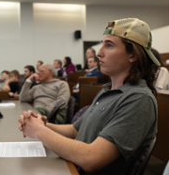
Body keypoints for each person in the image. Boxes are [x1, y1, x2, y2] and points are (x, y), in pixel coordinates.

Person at [18, 18, 160, 174]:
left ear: (133, 55)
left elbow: (91, 159)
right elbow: (74, 130)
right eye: (102, 44)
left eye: (109, 45)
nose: (99, 53)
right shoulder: (107, 91)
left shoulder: (138, 99)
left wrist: (39, 131)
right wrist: (42, 124)